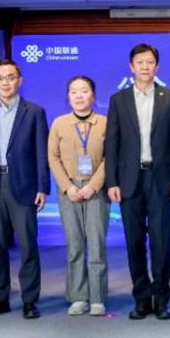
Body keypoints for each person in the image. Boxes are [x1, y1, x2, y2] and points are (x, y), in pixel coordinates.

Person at [105, 43, 170, 320]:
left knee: (161, 242)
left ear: (157, 66)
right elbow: (112, 144)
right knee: (134, 242)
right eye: (140, 62)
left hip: (161, 180)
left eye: (150, 62)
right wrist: (112, 181)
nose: (145, 66)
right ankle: (141, 299)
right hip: (129, 181)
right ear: (131, 67)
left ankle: (161, 300)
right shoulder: (119, 100)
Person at [0, 58, 50, 320]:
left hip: (24, 186)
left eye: (10, 77)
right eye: (0, 78)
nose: (5, 82)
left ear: (20, 80)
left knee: (28, 246)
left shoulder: (34, 112)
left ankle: (29, 301)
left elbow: (41, 153)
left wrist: (42, 186)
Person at [49, 75, 110, 316]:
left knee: (96, 245)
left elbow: (110, 157)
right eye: (73, 91)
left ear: (93, 96)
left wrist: (93, 186)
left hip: (96, 191)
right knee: (74, 246)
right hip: (69, 191)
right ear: (68, 97)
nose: (79, 96)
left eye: (84, 91)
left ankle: (97, 298)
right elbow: (53, 157)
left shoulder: (104, 123)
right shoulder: (59, 123)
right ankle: (78, 296)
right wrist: (68, 187)